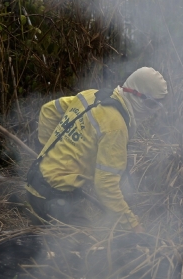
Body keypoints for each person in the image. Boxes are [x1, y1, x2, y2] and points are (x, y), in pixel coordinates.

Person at [25, 67, 167, 231]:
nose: (153, 112)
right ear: (135, 94)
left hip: (34, 180)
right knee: (85, 248)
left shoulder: (91, 95)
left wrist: (51, 152)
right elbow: (106, 186)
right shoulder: (116, 127)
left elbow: (48, 111)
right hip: (52, 197)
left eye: (158, 106)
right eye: (151, 104)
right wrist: (132, 224)